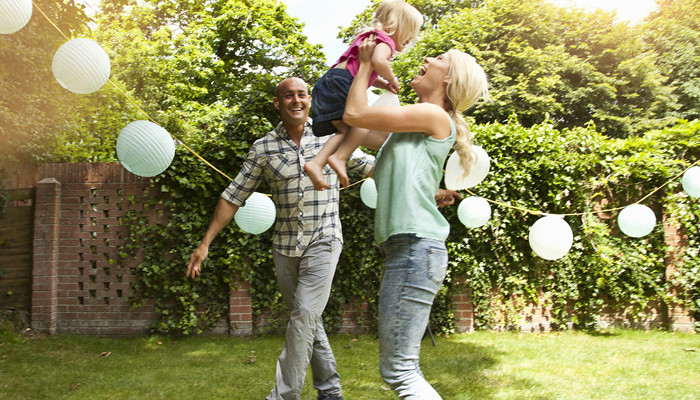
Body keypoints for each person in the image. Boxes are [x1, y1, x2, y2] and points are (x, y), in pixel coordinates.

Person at [186, 77, 374, 400]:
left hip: (325, 239)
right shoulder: (263, 148)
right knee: (307, 319)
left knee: (303, 314)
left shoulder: (332, 136)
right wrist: (205, 243)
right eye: (288, 96)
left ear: (311, 101)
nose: (296, 100)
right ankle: (330, 391)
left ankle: (282, 396)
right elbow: (233, 196)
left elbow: (373, 165)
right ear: (278, 103)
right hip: (285, 248)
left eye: (302, 95)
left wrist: (428, 188)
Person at [343, 36, 490, 399]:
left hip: (416, 251)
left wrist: (363, 66)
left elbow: (355, 115)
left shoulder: (431, 115)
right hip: (407, 251)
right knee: (402, 367)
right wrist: (351, 76)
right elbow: (359, 132)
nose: (426, 58)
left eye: (439, 57)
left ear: (448, 80)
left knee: (400, 371)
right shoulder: (413, 124)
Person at [304, 0, 423, 191]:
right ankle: (339, 157)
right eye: (411, 32)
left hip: (328, 83)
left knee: (344, 131)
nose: (412, 38)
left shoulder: (369, 38)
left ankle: (317, 163)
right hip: (342, 83)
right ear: (397, 25)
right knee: (363, 122)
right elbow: (378, 61)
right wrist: (392, 78)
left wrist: (381, 83)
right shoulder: (385, 41)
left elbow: (363, 69)